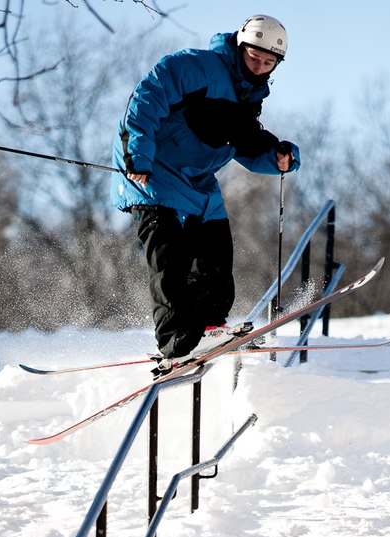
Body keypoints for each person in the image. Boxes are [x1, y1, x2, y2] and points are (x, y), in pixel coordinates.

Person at [111, 14, 300, 369]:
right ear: (240, 47)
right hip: (151, 174)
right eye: (254, 58)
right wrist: (137, 155)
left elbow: (245, 144)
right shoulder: (196, 66)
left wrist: (278, 158)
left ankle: (209, 328)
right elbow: (145, 99)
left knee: (215, 258)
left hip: (197, 182)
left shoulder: (249, 98)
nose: (259, 67)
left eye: (268, 63)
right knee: (170, 259)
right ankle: (177, 339)